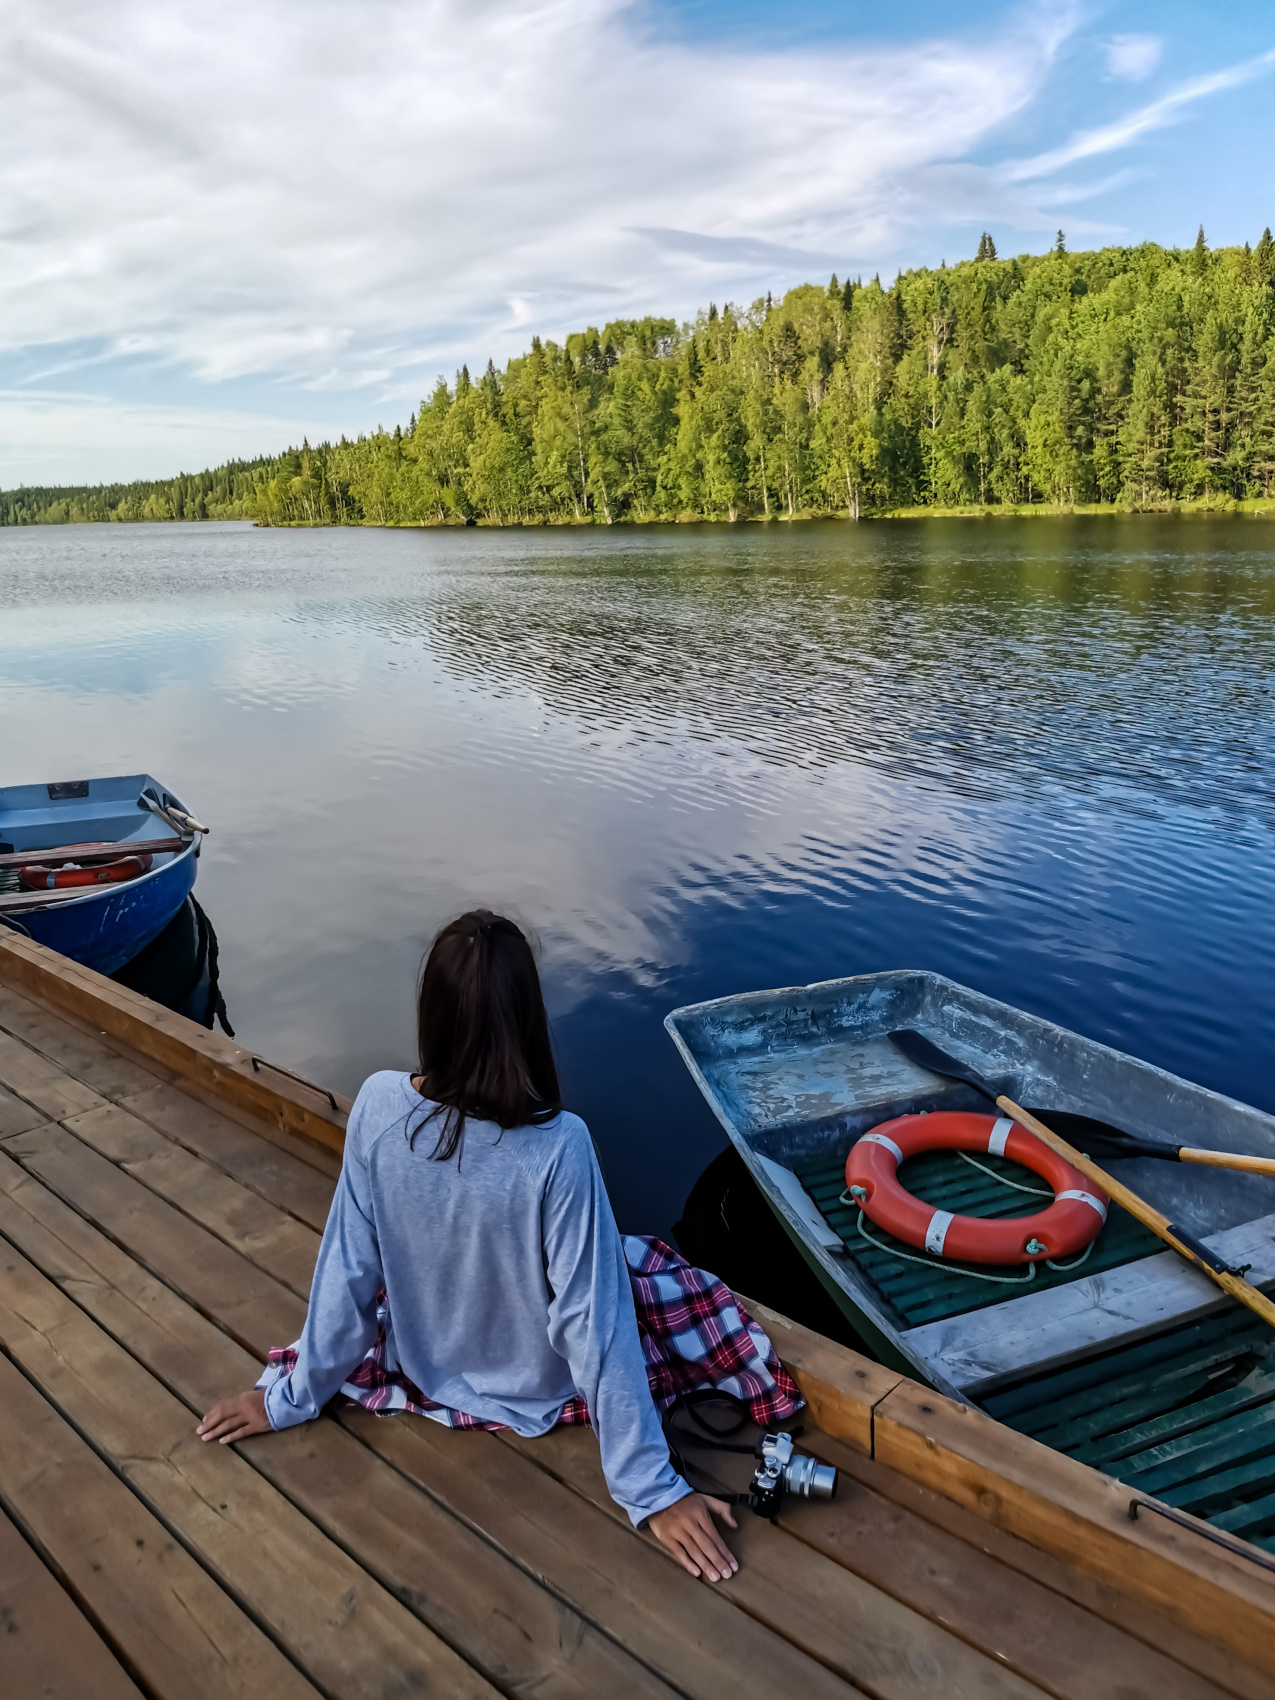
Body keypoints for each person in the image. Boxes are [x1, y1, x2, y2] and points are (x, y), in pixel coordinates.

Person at [197, 909, 798, 1581]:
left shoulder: (375, 1105)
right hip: (535, 1383)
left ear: (431, 1012)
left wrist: (288, 1397)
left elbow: (348, 1273)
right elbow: (593, 1326)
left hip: (426, 1363)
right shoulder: (560, 1146)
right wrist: (651, 1489)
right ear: (526, 1019)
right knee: (646, 1269)